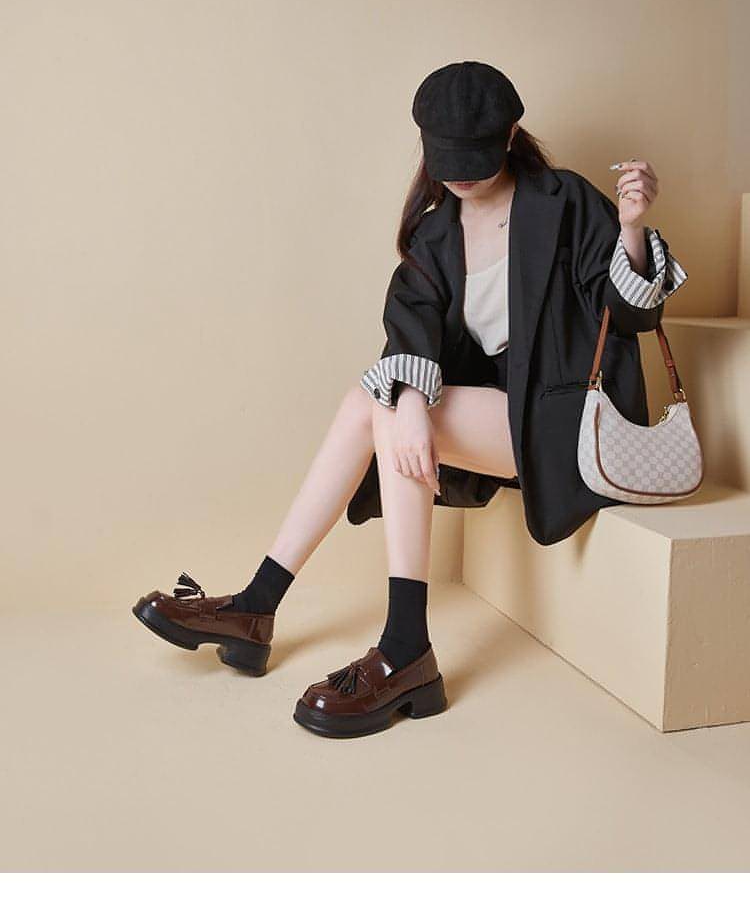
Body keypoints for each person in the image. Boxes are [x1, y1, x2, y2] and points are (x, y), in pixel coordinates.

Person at [133, 61, 688, 739]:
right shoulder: (434, 234)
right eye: (448, 159)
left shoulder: (564, 200)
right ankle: (265, 607)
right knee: (377, 401)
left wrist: (630, 228)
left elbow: (633, 320)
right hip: (502, 421)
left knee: (389, 405)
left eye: (476, 157)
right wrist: (412, 407)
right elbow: (409, 332)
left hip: (576, 423)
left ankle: (388, 643)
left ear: (511, 135)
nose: (460, 175)